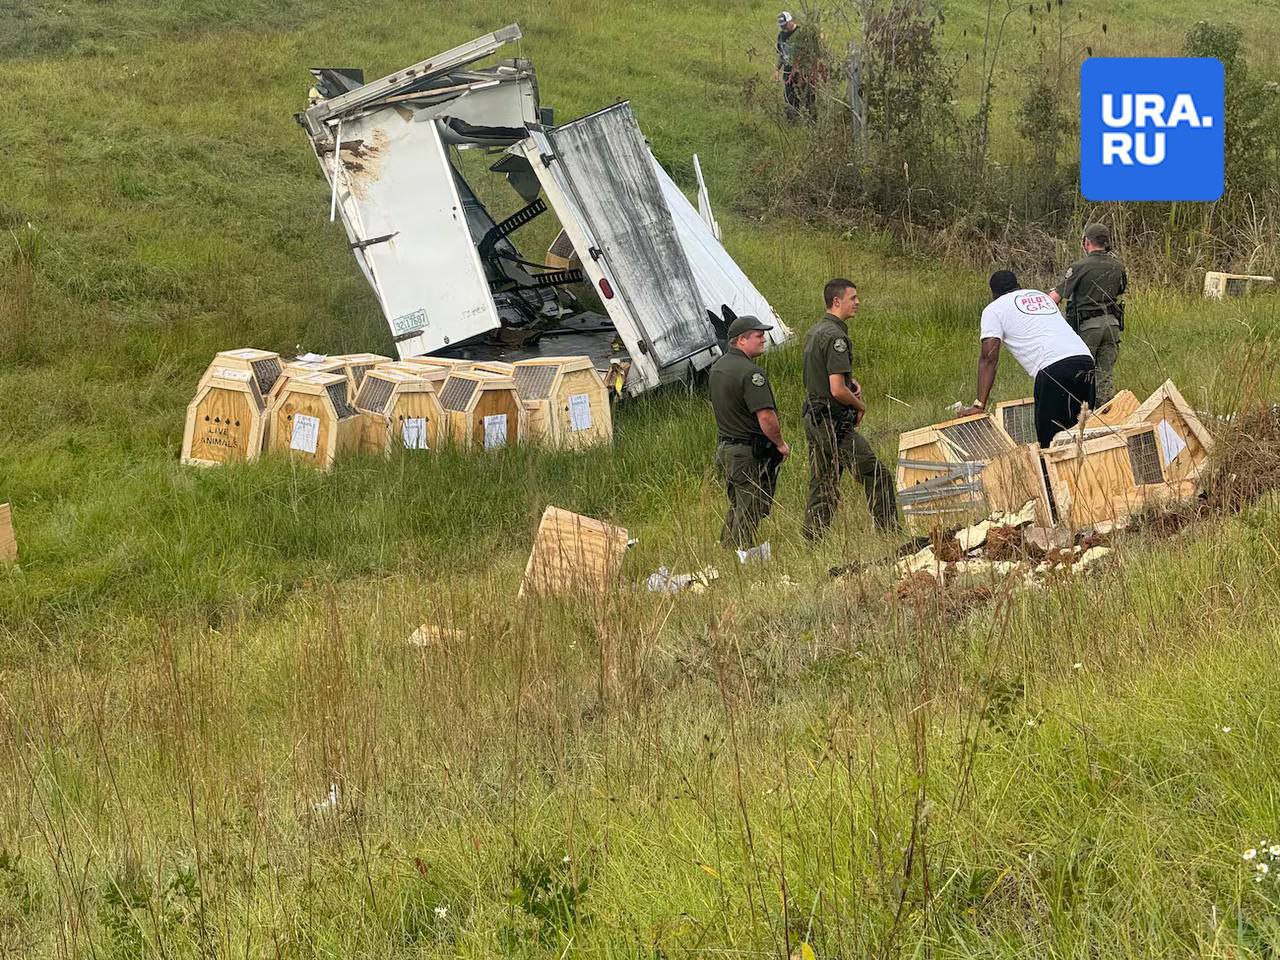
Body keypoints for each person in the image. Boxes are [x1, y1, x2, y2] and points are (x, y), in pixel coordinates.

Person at [801, 278, 898, 540]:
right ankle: (889, 532)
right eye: (853, 298)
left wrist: (848, 381)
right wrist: (859, 404)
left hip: (816, 418)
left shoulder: (815, 332)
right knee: (876, 474)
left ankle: (813, 540)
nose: (857, 302)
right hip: (834, 423)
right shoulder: (836, 337)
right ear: (837, 301)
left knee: (823, 484)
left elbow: (823, 376)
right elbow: (836, 390)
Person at [957, 271, 1096, 448]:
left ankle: (1051, 475)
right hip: (1085, 361)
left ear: (994, 294)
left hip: (1053, 369)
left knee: (1051, 443)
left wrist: (979, 404)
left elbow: (989, 357)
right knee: (1082, 434)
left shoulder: (994, 309)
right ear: (1018, 285)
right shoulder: (1041, 297)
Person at [708, 315, 791, 551]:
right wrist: (780, 443)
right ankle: (739, 554)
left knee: (738, 503)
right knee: (751, 505)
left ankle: (726, 549)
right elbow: (765, 416)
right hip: (747, 451)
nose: (763, 339)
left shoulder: (718, 368)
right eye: (758, 335)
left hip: (726, 448)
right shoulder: (751, 373)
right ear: (742, 340)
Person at [1050, 222, 1127, 406]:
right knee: (1105, 376)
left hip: (1088, 327)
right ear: (1106, 242)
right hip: (1113, 326)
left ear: (1087, 242)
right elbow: (1121, 290)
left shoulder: (1080, 266)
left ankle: (1081, 416)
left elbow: (1055, 298)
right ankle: (1105, 413)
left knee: (1082, 373)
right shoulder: (1118, 266)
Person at [773, 12, 810, 121]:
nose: (783, 28)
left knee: (806, 97)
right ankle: (792, 122)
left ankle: (809, 122)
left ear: (790, 21)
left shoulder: (801, 34)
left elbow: (804, 54)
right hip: (787, 72)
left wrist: (795, 71)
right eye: (781, 26)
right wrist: (777, 69)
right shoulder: (781, 35)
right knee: (789, 97)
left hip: (802, 72)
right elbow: (782, 54)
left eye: (785, 25)